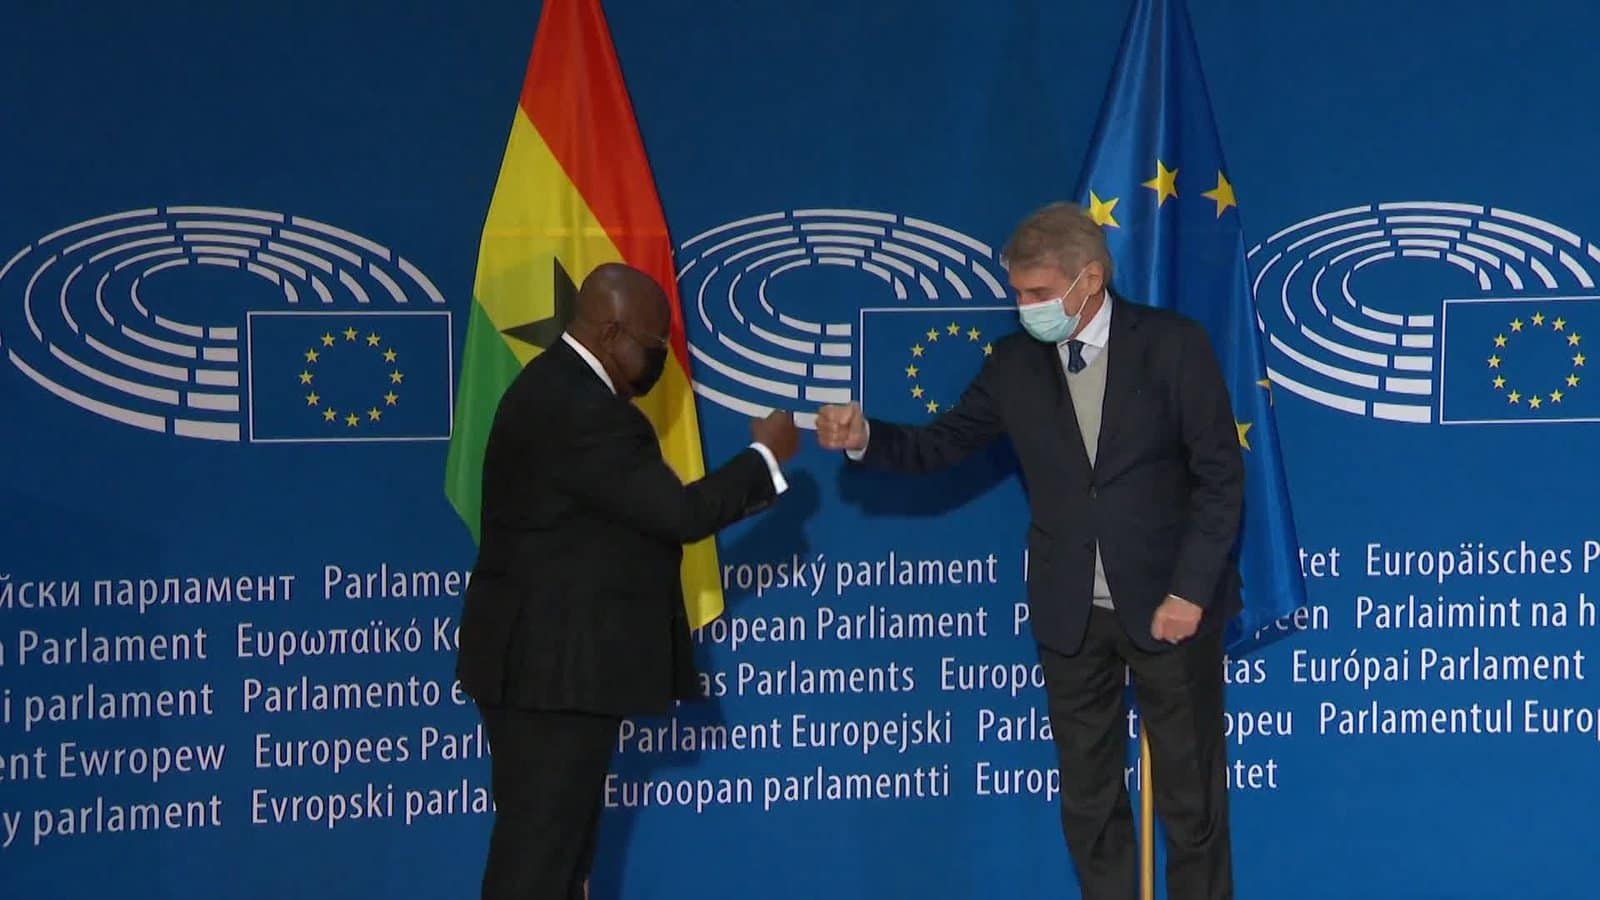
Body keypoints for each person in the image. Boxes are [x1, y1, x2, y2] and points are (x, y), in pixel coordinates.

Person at [817, 202, 1242, 900]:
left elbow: (1221, 478)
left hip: (1170, 608)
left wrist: (1190, 591)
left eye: (1038, 292)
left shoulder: (1173, 345)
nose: (1025, 308)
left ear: (1091, 278)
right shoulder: (1014, 363)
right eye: (1017, 293)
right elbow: (943, 442)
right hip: (1070, 615)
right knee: (1089, 804)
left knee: (1191, 804)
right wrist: (866, 437)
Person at [456, 262, 799, 900]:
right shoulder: (585, 409)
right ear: (612, 333)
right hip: (553, 675)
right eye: (654, 345)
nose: (659, 359)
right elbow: (682, 515)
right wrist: (766, 456)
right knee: (538, 864)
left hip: (542, 668)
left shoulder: (554, 386)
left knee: (557, 858)